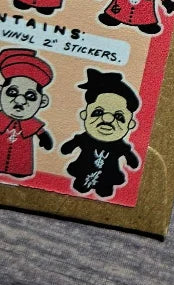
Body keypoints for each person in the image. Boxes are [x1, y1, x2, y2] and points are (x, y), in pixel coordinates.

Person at [0, 49, 54, 178]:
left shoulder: (31, 123)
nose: (20, 100)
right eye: (12, 93)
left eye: (30, 96)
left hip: (22, 154)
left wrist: (44, 138)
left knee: (20, 161)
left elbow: (40, 132)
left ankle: (20, 170)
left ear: (42, 101)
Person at [60, 69, 142, 198]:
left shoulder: (119, 146)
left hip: (108, 175)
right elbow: (68, 147)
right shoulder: (85, 138)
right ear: (85, 115)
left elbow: (130, 158)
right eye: (98, 112)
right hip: (83, 169)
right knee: (80, 186)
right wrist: (68, 147)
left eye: (119, 116)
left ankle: (103, 188)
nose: (107, 119)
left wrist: (131, 160)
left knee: (105, 190)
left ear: (130, 124)